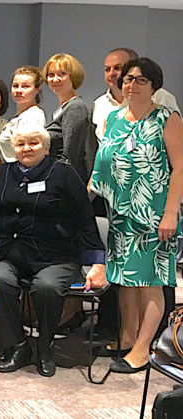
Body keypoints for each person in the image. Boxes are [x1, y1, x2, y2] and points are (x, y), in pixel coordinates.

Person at [0, 125, 106, 377]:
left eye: (33, 144)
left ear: (47, 147)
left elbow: (85, 218)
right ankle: (18, 345)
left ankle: (45, 345)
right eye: (20, 144)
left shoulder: (63, 173)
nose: (26, 149)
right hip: (11, 251)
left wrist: (97, 262)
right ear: (13, 148)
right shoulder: (3, 172)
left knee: (47, 287)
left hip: (55, 254)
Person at [90, 58, 183, 374]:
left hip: (155, 214)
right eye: (128, 79)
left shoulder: (166, 119)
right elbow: (103, 166)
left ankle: (144, 349)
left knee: (150, 281)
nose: (131, 84)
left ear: (154, 85)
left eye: (140, 80)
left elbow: (180, 167)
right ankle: (127, 338)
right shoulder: (114, 118)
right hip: (120, 213)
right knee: (126, 281)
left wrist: (170, 212)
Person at [93, 48, 179, 141]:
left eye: (118, 68)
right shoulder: (100, 105)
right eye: (107, 69)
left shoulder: (162, 98)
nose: (111, 73)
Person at [43, 53, 96, 183]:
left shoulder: (75, 107)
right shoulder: (63, 108)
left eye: (62, 74)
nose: (55, 79)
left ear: (73, 76)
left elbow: (70, 156)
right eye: (51, 74)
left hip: (64, 182)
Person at [0, 66, 46, 163]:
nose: (18, 90)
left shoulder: (32, 116)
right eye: (15, 86)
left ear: (37, 89)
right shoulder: (19, 116)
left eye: (25, 86)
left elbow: (30, 153)